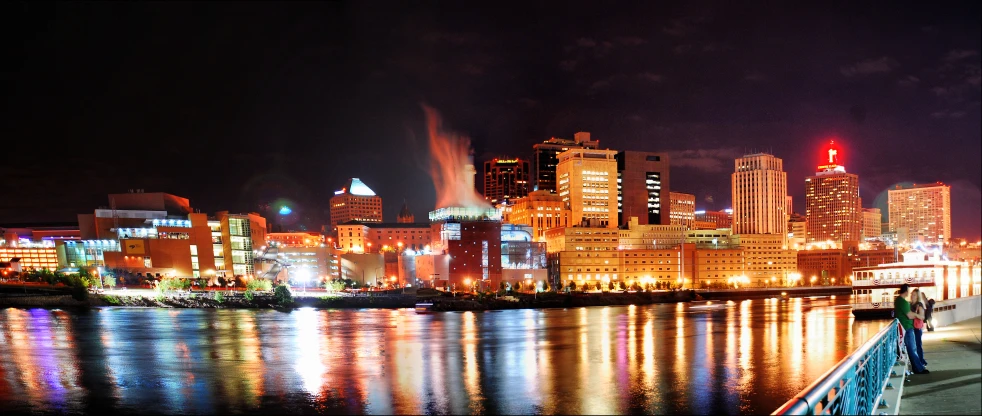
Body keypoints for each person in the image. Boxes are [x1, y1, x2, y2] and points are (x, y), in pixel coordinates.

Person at [894, 284, 929, 374]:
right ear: (906, 291)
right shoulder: (904, 302)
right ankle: (919, 368)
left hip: (905, 327)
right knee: (912, 349)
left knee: (913, 348)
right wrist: (917, 315)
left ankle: (918, 366)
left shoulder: (898, 300)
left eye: (913, 294)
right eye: (909, 292)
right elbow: (909, 315)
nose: (909, 294)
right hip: (907, 328)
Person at [911, 288, 928, 369]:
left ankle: (921, 362)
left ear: (917, 296)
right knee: (915, 345)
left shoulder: (919, 305)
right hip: (912, 327)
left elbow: (922, 317)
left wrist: (914, 315)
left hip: (917, 328)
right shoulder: (911, 304)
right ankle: (920, 361)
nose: (912, 296)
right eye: (911, 294)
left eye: (914, 295)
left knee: (918, 345)